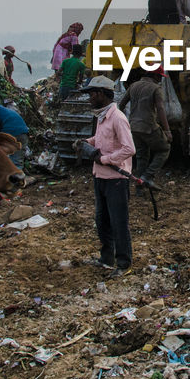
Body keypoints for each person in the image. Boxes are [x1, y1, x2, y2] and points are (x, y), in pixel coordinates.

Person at [79, 76, 136, 277]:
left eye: (93, 94)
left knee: (119, 222)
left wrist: (106, 159)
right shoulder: (102, 116)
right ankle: (106, 258)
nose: (90, 98)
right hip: (100, 177)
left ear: (103, 94)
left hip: (116, 180)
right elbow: (101, 138)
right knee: (102, 220)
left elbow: (129, 148)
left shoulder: (118, 118)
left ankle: (124, 263)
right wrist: (87, 142)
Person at [118, 67, 172, 192]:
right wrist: (167, 131)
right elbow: (160, 109)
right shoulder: (156, 88)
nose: (160, 81)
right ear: (155, 76)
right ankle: (148, 176)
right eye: (160, 77)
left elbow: (121, 105)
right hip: (149, 127)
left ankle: (139, 187)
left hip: (134, 127)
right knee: (164, 149)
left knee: (142, 156)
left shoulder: (133, 86)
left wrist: (122, 123)